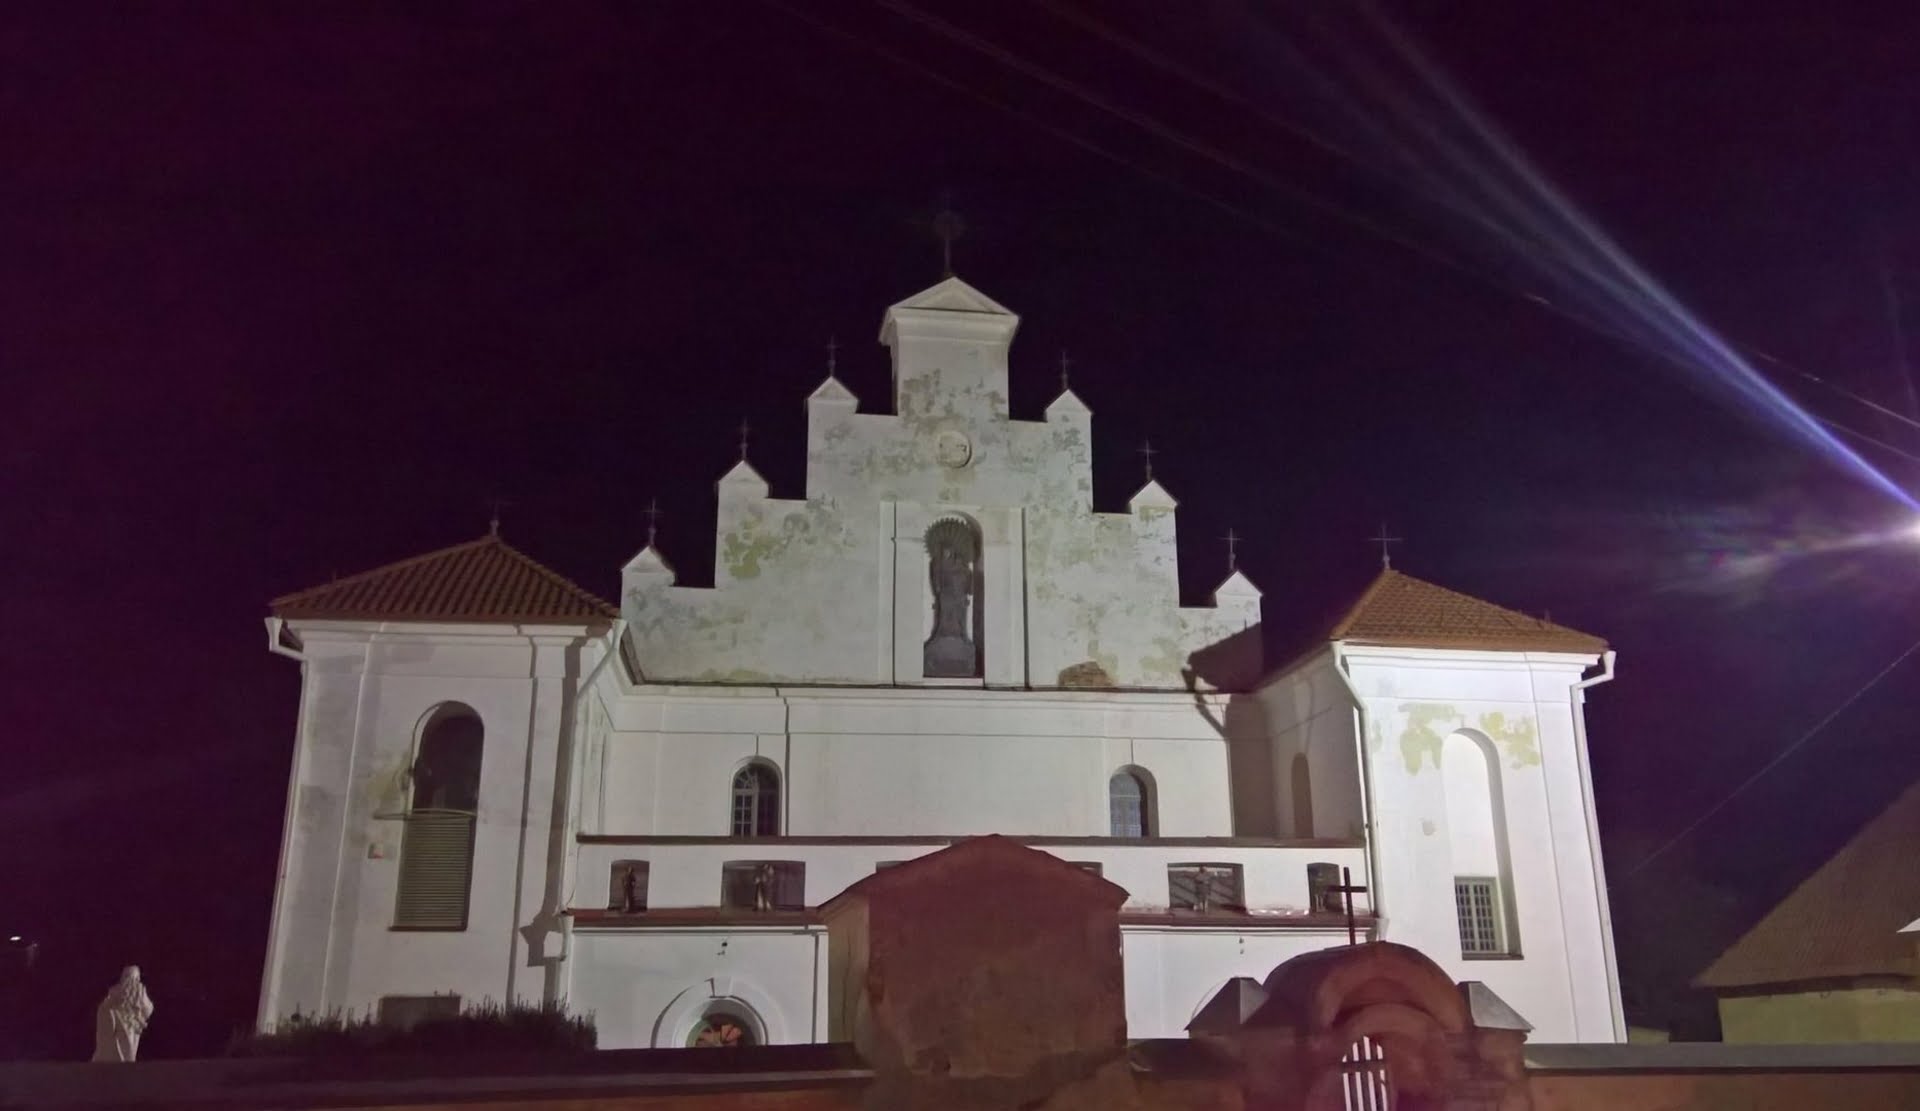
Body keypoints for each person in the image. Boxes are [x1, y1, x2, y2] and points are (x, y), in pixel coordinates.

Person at [91, 965, 153, 1063]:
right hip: (109, 1061)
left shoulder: (139, 1004)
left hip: (125, 1058)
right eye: (128, 977)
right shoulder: (108, 1008)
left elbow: (148, 1008)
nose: (133, 983)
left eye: (136, 979)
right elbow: (105, 1043)